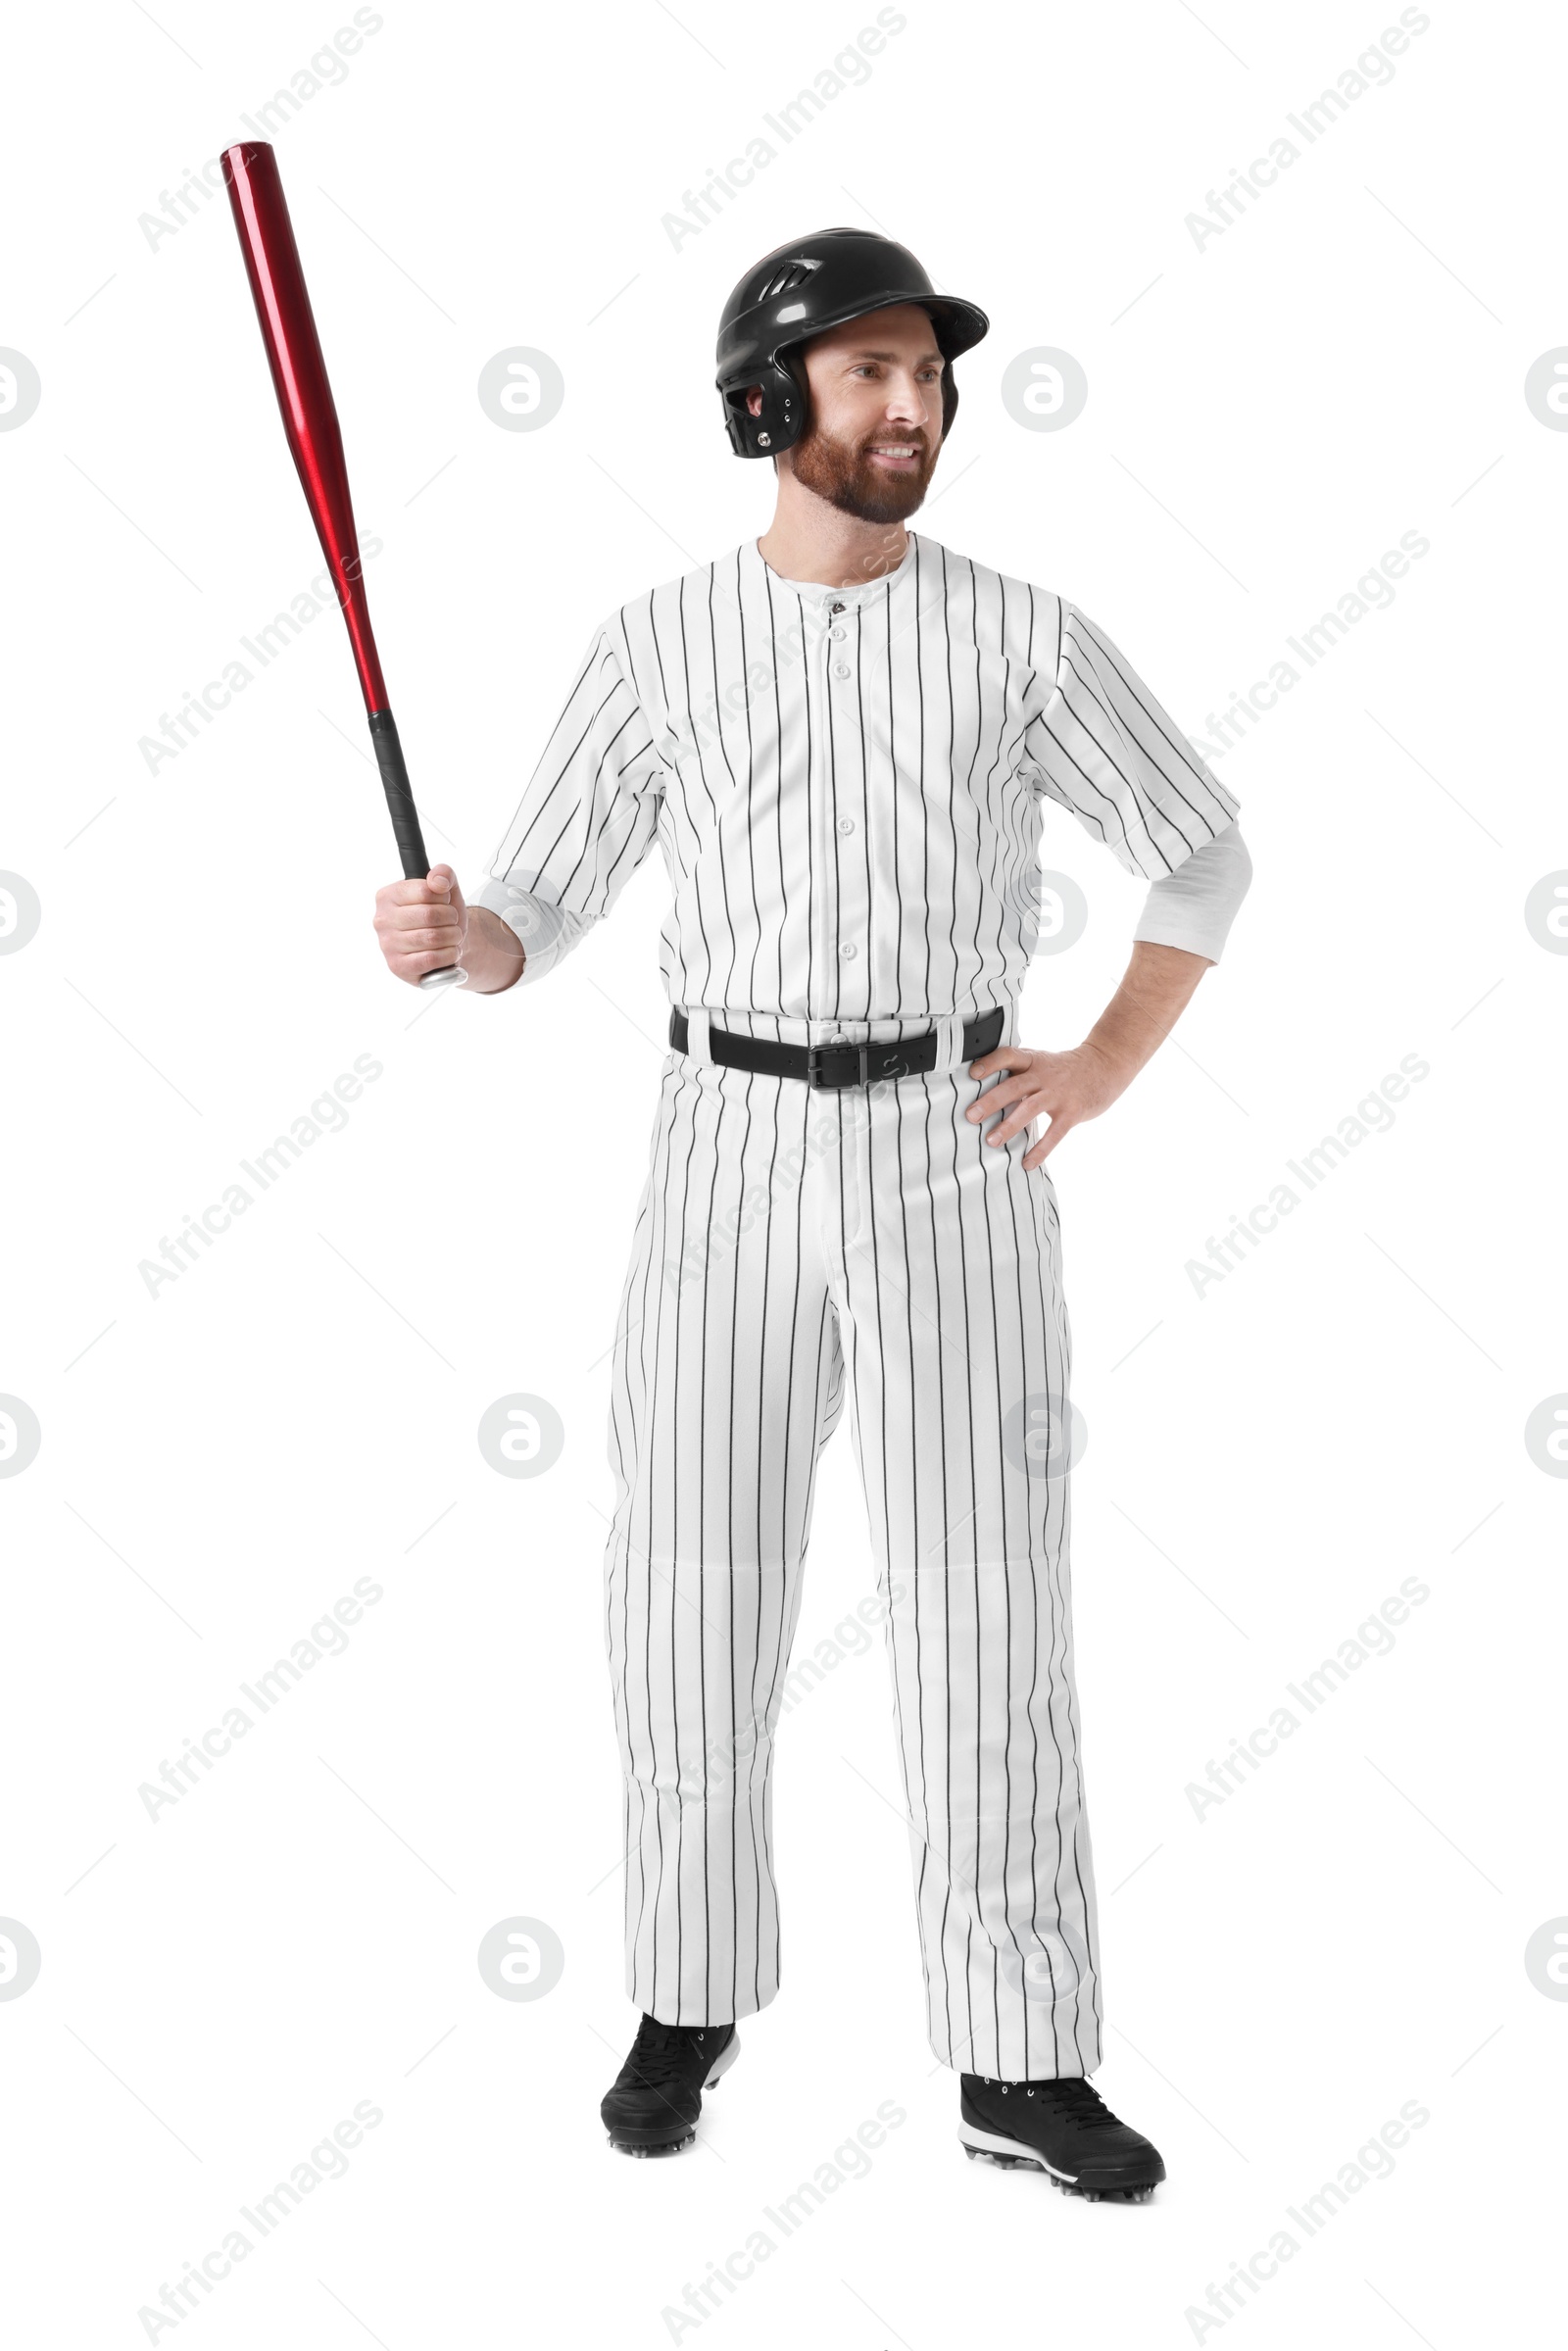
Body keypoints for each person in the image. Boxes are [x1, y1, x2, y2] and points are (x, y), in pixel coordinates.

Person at [373, 229, 1251, 2202]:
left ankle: (1017, 2062)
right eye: (865, 376)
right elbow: (533, 915)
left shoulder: (1019, 631)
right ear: (765, 407)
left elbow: (1199, 851)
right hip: (720, 1149)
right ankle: (686, 1995)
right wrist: (452, 941)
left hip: (956, 1150)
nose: (913, 407)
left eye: (925, 376)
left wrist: (1098, 1064)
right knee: (686, 1603)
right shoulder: (650, 644)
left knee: (983, 1617)